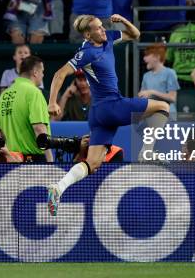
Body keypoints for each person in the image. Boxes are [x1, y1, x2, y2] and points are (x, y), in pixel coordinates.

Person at [46, 14, 170, 216]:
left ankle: (58, 188)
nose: (103, 29)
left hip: (99, 114)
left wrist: (123, 20)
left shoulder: (109, 37)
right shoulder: (85, 52)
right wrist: (52, 101)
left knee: (93, 164)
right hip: (112, 106)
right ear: (88, 34)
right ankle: (147, 152)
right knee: (162, 106)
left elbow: (135, 34)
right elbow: (59, 74)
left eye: (102, 26)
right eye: (98, 28)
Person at [0, 55, 53, 162]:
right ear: (35, 72)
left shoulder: (3, 96)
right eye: (42, 71)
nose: (43, 75)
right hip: (32, 161)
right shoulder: (34, 92)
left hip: (8, 161)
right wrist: (49, 160)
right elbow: (39, 129)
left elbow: (0, 133)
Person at [138, 43, 179, 115]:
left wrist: (152, 92)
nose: (144, 58)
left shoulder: (170, 73)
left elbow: (172, 98)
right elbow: (142, 96)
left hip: (167, 115)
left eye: (147, 55)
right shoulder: (146, 76)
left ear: (157, 57)